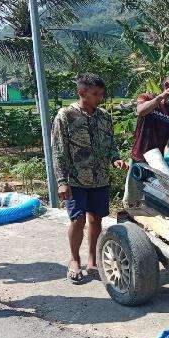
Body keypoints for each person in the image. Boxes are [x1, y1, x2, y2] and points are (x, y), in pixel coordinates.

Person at [51, 73, 128, 284]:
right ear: (82, 92)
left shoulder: (104, 117)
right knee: (77, 220)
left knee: (96, 219)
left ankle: (92, 260)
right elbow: (58, 150)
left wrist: (116, 159)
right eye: (95, 94)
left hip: (100, 178)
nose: (99, 98)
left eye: (101, 94)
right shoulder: (65, 116)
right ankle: (74, 260)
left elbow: (110, 143)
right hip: (75, 179)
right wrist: (61, 181)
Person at [130, 75, 169, 162]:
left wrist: (166, 158)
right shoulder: (147, 97)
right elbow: (141, 110)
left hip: (158, 160)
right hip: (139, 155)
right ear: (167, 85)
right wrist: (161, 97)